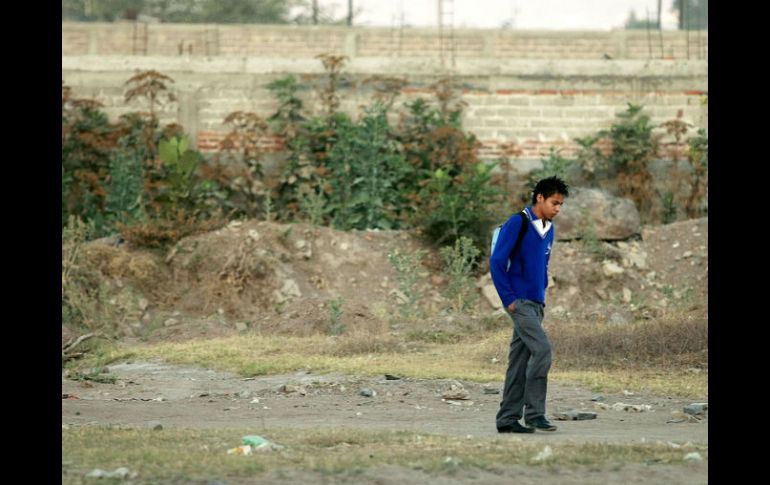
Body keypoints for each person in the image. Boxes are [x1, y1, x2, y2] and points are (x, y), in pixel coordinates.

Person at [490, 176, 568, 433]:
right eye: (554, 203)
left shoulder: (550, 229)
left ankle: (507, 420)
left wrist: (542, 293)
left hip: (536, 303)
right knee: (542, 350)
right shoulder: (518, 222)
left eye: (561, 205)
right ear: (540, 198)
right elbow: (497, 261)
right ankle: (535, 414)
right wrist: (509, 300)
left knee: (519, 362)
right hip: (519, 303)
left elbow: (542, 265)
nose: (558, 209)